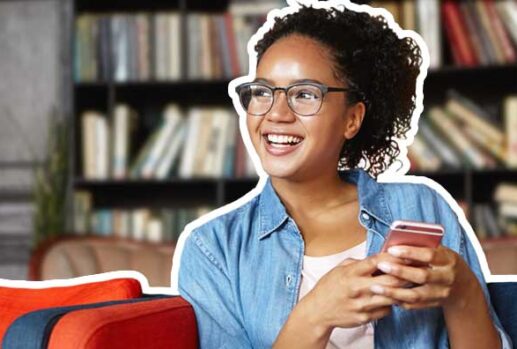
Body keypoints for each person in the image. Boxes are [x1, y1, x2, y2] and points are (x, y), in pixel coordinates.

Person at [171, 1, 512, 348]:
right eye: (262, 92)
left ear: (353, 119)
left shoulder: (422, 206)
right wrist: (316, 314)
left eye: (304, 94)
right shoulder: (213, 248)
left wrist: (463, 290)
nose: (276, 113)